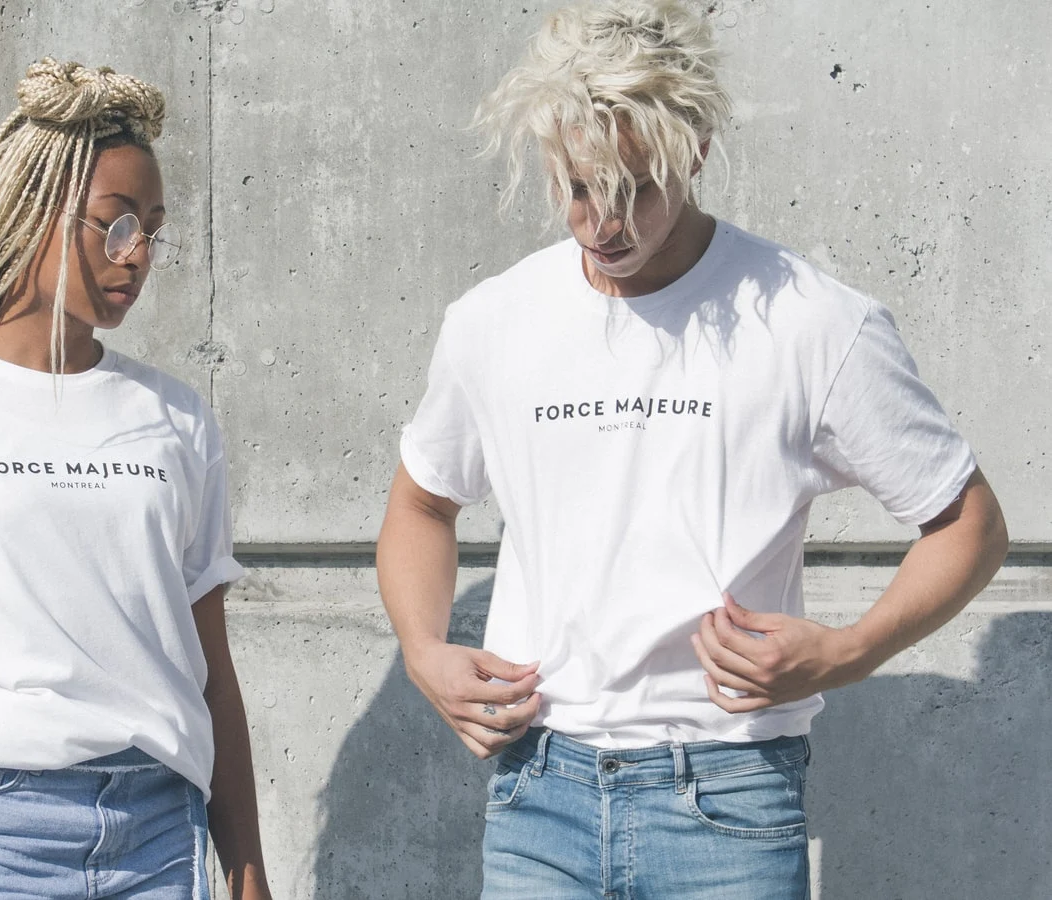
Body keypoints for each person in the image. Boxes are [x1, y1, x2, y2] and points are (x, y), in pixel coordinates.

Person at [375, 3, 1008, 898]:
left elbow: (968, 525)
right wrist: (422, 649)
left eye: (638, 187)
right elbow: (421, 503)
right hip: (535, 793)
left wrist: (848, 650)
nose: (604, 222)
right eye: (578, 185)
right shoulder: (494, 322)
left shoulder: (812, 322)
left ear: (697, 146)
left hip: (729, 796)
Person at [0, 59, 271, 900]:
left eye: (152, 230)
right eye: (114, 223)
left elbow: (213, 674)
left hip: (158, 835)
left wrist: (246, 872)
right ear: (33, 212)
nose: (136, 254)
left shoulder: (178, 420)